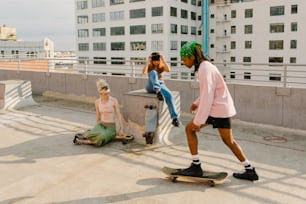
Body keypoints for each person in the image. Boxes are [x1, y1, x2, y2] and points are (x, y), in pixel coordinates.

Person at [175, 42, 259, 181]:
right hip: (221, 107)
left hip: (217, 109)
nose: (183, 62)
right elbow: (209, 91)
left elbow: (208, 95)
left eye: (184, 59)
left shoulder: (204, 69)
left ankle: (196, 166)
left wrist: (199, 121)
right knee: (229, 141)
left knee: (190, 129)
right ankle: (249, 169)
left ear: (191, 57)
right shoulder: (205, 66)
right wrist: (197, 103)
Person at [73, 79, 124, 146]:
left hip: (111, 127)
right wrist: (97, 127)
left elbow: (119, 115)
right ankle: (88, 134)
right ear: (101, 94)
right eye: (105, 94)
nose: (107, 95)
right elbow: (97, 116)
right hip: (101, 125)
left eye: (108, 93)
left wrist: (121, 129)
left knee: (101, 137)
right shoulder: (97, 102)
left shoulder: (114, 101)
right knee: (91, 134)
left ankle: (84, 141)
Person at [142, 52, 180, 127]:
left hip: (160, 84)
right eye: (154, 61)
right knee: (153, 72)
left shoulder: (161, 66)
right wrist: (148, 61)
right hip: (150, 85)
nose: (156, 62)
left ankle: (174, 118)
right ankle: (157, 90)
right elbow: (143, 72)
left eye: (157, 60)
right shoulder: (150, 66)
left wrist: (163, 59)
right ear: (152, 61)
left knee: (169, 95)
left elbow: (168, 70)